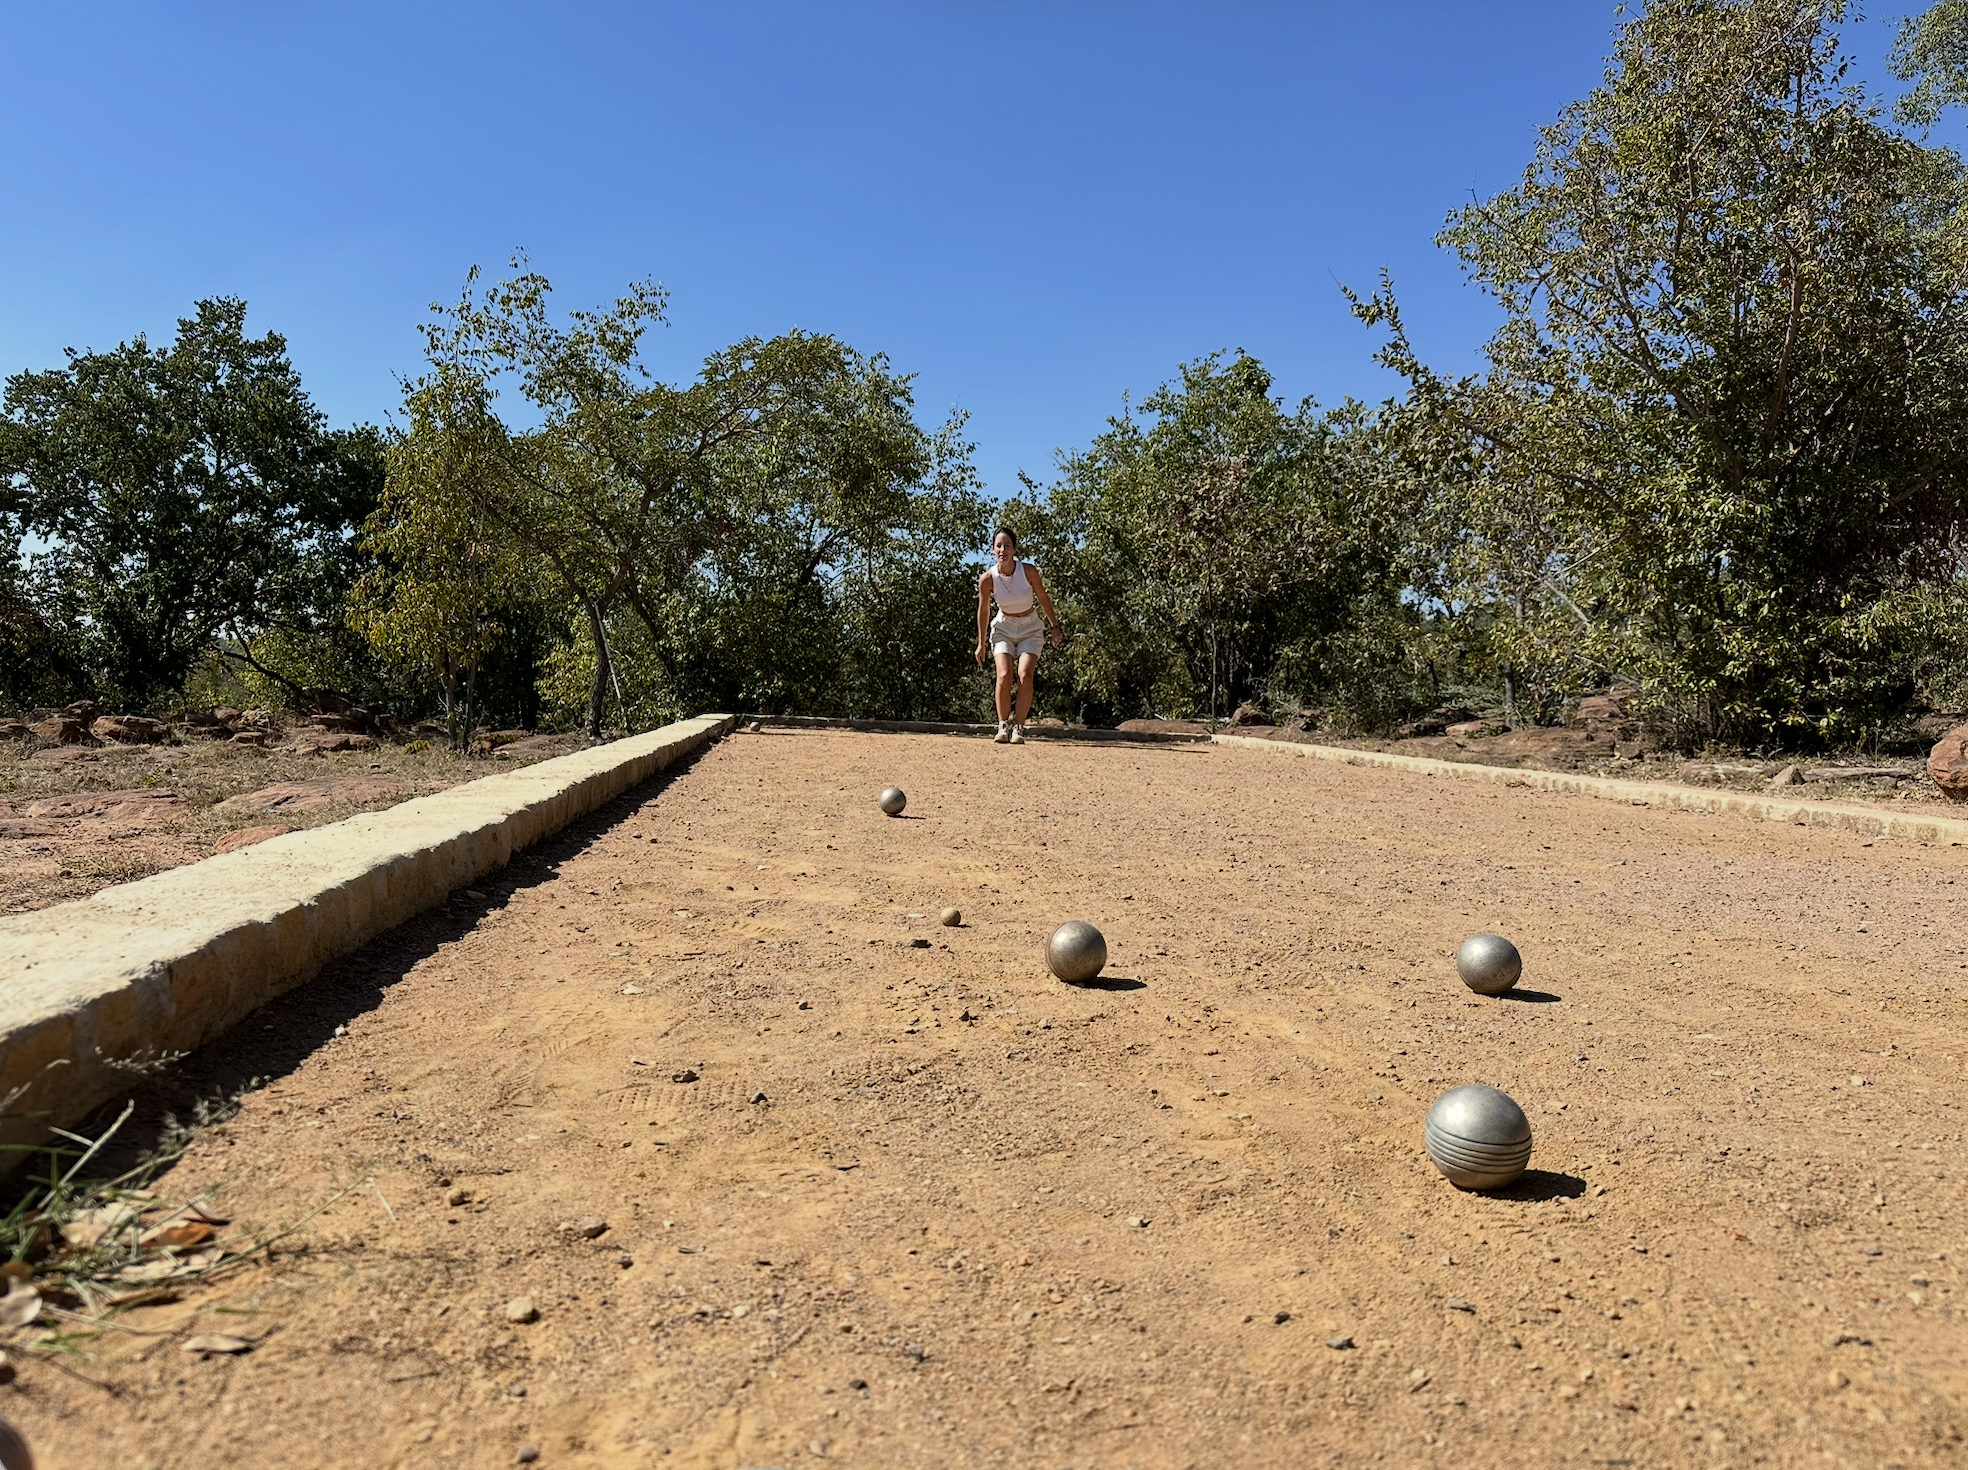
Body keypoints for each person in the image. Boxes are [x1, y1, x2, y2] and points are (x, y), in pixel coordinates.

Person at [974, 527, 1063, 744]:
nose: (1002, 549)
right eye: (998, 546)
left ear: (1014, 549)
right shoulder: (987, 579)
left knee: (1025, 675)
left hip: (1030, 628)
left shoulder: (1028, 571)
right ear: (993, 550)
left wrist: (1055, 626)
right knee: (1004, 675)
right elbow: (984, 610)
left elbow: (1042, 597)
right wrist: (981, 643)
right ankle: (1003, 725)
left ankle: (1019, 728)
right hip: (1003, 627)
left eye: (1007, 545)